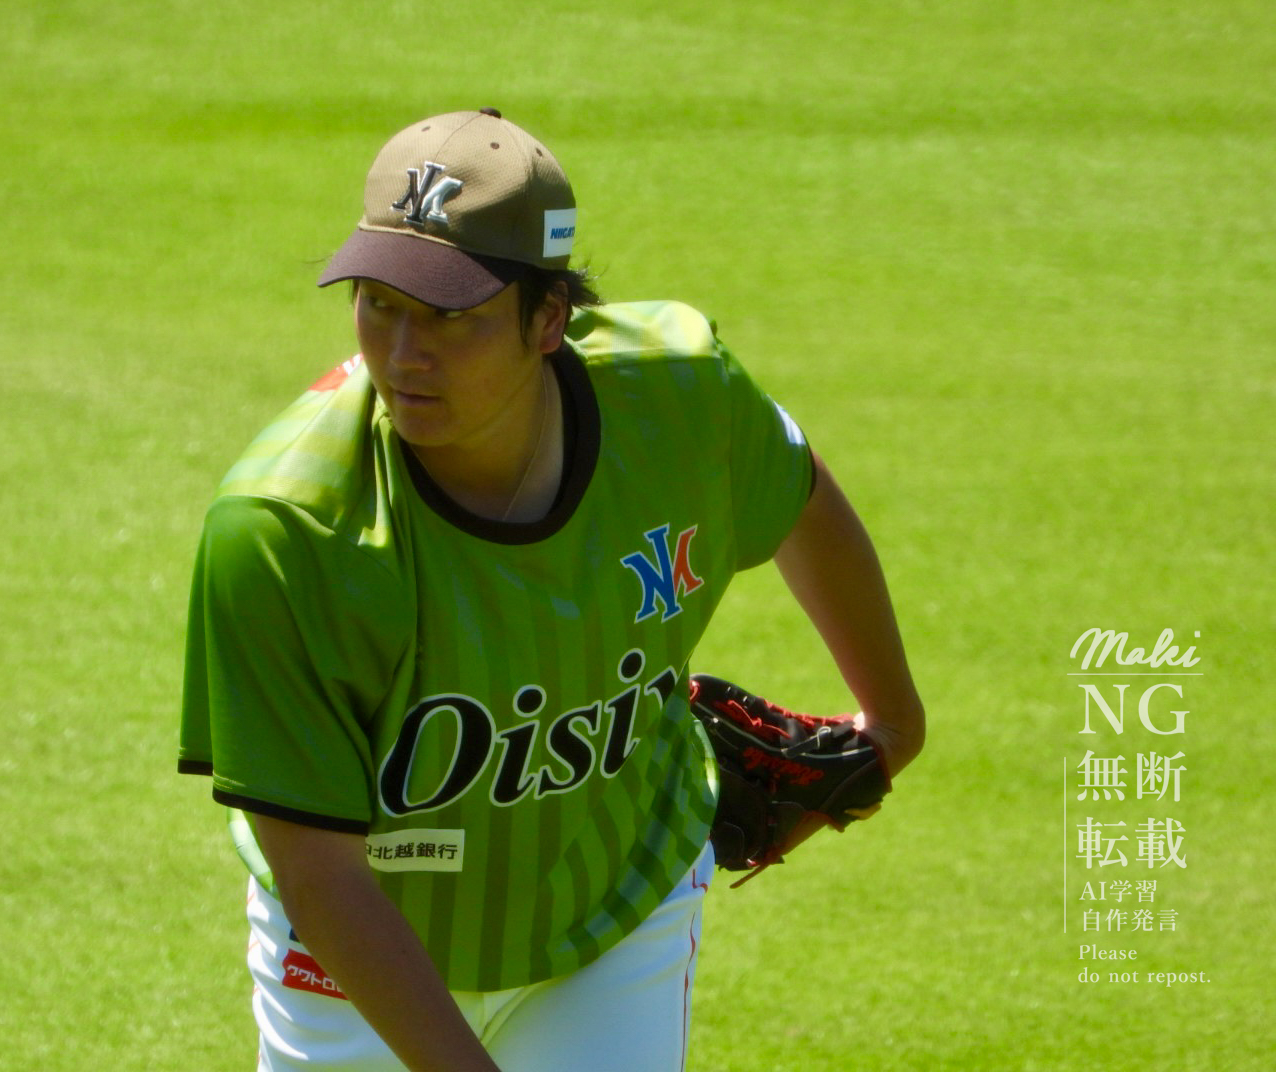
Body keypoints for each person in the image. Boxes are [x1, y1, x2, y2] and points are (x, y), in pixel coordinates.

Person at [179, 108, 924, 1072]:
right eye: (380, 302)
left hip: (616, 909)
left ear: (548, 319)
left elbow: (796, 492)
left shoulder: (679, 393)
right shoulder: (289, 531)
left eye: (450, 314)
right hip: (356, 959)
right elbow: (322, 876)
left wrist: (893, 722)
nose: (404, 354)